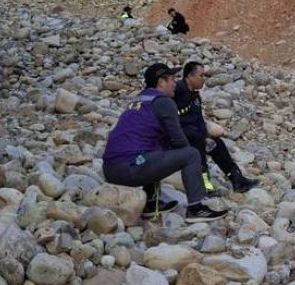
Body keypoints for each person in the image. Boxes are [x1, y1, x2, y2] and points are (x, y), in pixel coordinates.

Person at [102, 63, 227, 223]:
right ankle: (196, 208)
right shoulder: (164, 102)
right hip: (131, 168)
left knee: (155, 150)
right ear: (161, 82)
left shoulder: (139, 99)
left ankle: (150, 203)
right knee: (191, 154)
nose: (175, 83)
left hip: (111, 169)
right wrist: (195, 161)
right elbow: (178, 139)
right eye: (172, 80)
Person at [173, 62, 259, 195]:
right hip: (178, 135)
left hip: (193, 134)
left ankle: (237, 180)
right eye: (201, 75)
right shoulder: (176, 90)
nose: (204, 79)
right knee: (198, 145)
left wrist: (206, 137)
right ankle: (206, 186)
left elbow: (199, 120)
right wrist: (201, 138)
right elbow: (172, 120)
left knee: (217, 144)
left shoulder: (195, 96)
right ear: (189, 76)